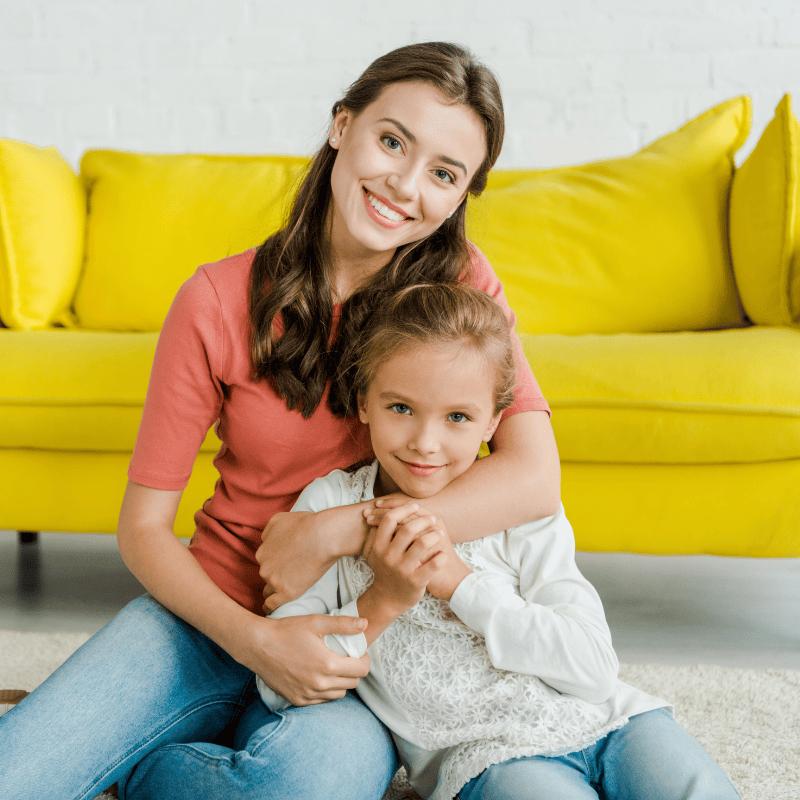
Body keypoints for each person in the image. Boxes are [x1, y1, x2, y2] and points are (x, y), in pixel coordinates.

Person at [0, 43, 558, 800]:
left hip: (361, 642)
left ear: (461, 197)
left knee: (303, 785)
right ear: (342, 125)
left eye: (443, 173)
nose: (404, 184)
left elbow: (534, 476)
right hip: (212, 615)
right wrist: (259, 642)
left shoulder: (463, 290)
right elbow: (143, 530)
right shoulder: (214, 299)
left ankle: (148, 771)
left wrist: (339, 530)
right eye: (392, 140)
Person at [257, 283, 742, 800]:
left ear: (493, 421)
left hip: (613, 725)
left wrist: (461, 586)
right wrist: (386, 600)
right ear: (363, 402)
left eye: (458, 417)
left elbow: (595, 670)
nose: (426, 442)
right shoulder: (328, 506)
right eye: (400, 407)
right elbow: (280, 682)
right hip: (489, 758)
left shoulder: (513, 505)